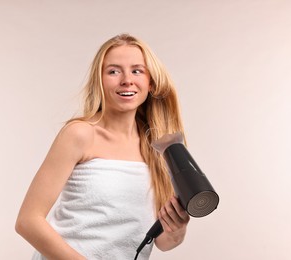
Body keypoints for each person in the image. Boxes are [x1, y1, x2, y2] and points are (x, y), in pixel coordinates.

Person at [15, 33, 190, 260]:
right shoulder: (80, 134)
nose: (127, 79)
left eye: (137, 70)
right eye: (114, 71)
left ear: (151, 82)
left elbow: (162, 243)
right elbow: (28, 221)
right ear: (100, 80)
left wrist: (177, 230)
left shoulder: (158, 147)